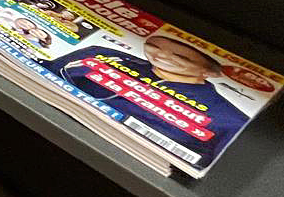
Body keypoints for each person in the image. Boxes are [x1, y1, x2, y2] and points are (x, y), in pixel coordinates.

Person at [42, 33, 251, 168]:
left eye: (181, 57)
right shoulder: (100, 55)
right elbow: (46, 71)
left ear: (210, 72)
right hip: (52, 121)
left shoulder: (228, 119)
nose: (160, 56)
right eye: (154, 46)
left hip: (123, 163)